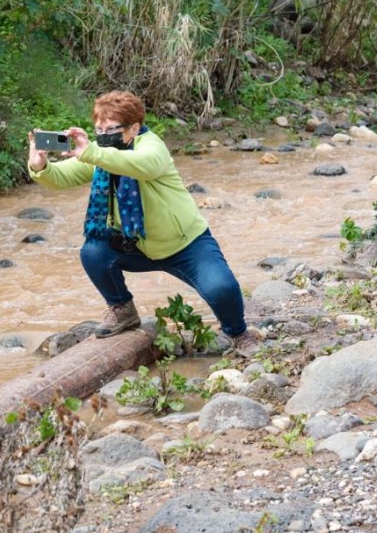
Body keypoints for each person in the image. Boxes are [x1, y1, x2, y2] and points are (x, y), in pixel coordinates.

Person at [27, 90, 259, 357]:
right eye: (98, 129)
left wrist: (92, 152)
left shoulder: (151, 146)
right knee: (93, 251)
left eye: (110, 129)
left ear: (134, 128)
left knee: (222, 288)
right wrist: (41, 166)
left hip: (185, 244)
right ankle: (122, 310)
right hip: (136, 244)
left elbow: (143, 165)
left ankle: (238, 333)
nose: (103, 136)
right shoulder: (102, 155)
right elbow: (62, 176)